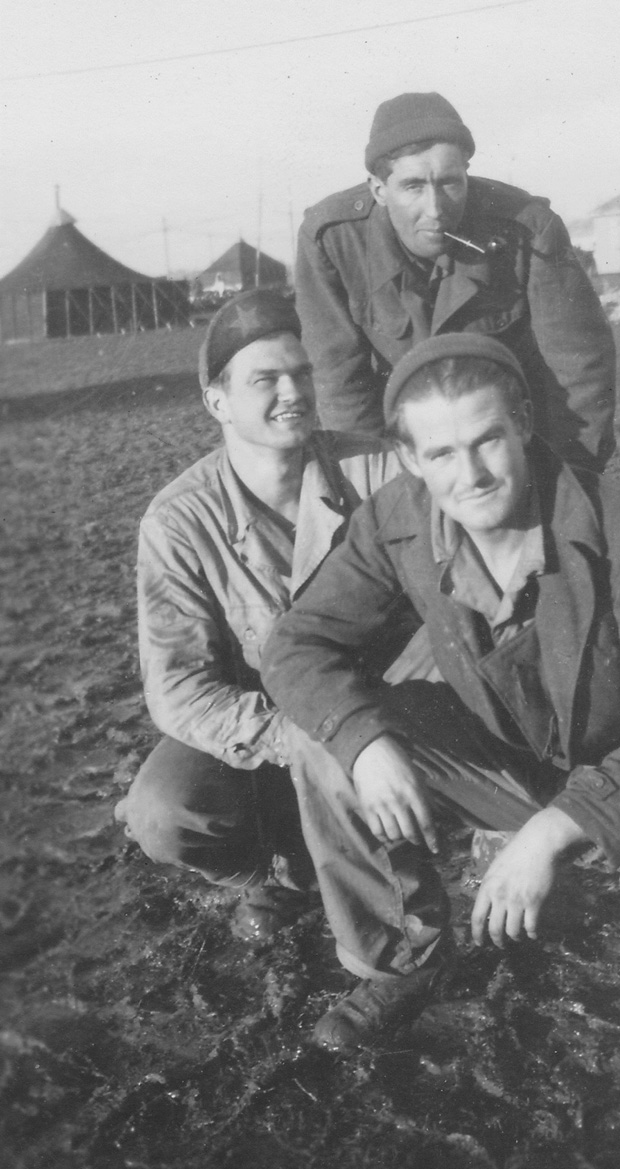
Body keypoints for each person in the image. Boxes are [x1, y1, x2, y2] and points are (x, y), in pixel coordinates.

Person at [261, 332, 620, 1051]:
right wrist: (365, 743)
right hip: (506, 765)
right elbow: (295, 644)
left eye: (487, 440)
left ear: (523, 422)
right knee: (325, 736)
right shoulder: (394, 520)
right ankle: (403, 958)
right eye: (440, 454)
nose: (471, 474)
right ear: (409, 459)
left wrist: (555, 830)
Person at [114, 289, 412, 941]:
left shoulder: (380, 468)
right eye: (265, 380)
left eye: (301, 374)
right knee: (164, 810)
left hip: (381, 714)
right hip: (265, 735)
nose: (293, 392)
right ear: (217, 401)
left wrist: (358, 729)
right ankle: (263, 879)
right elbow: (177, 690)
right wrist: (301, 736)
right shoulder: (179, 522)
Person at [294, 91, 616, 472]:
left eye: (450, 183)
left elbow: (579, 370)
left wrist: (565, 482)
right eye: (413, 186)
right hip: (401, 455)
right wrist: (383, 490)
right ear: (378, 190)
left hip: (513, 451)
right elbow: (339, 382)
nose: (435, 209)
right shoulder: (332, 240)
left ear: (468, 173)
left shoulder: (528, 230)